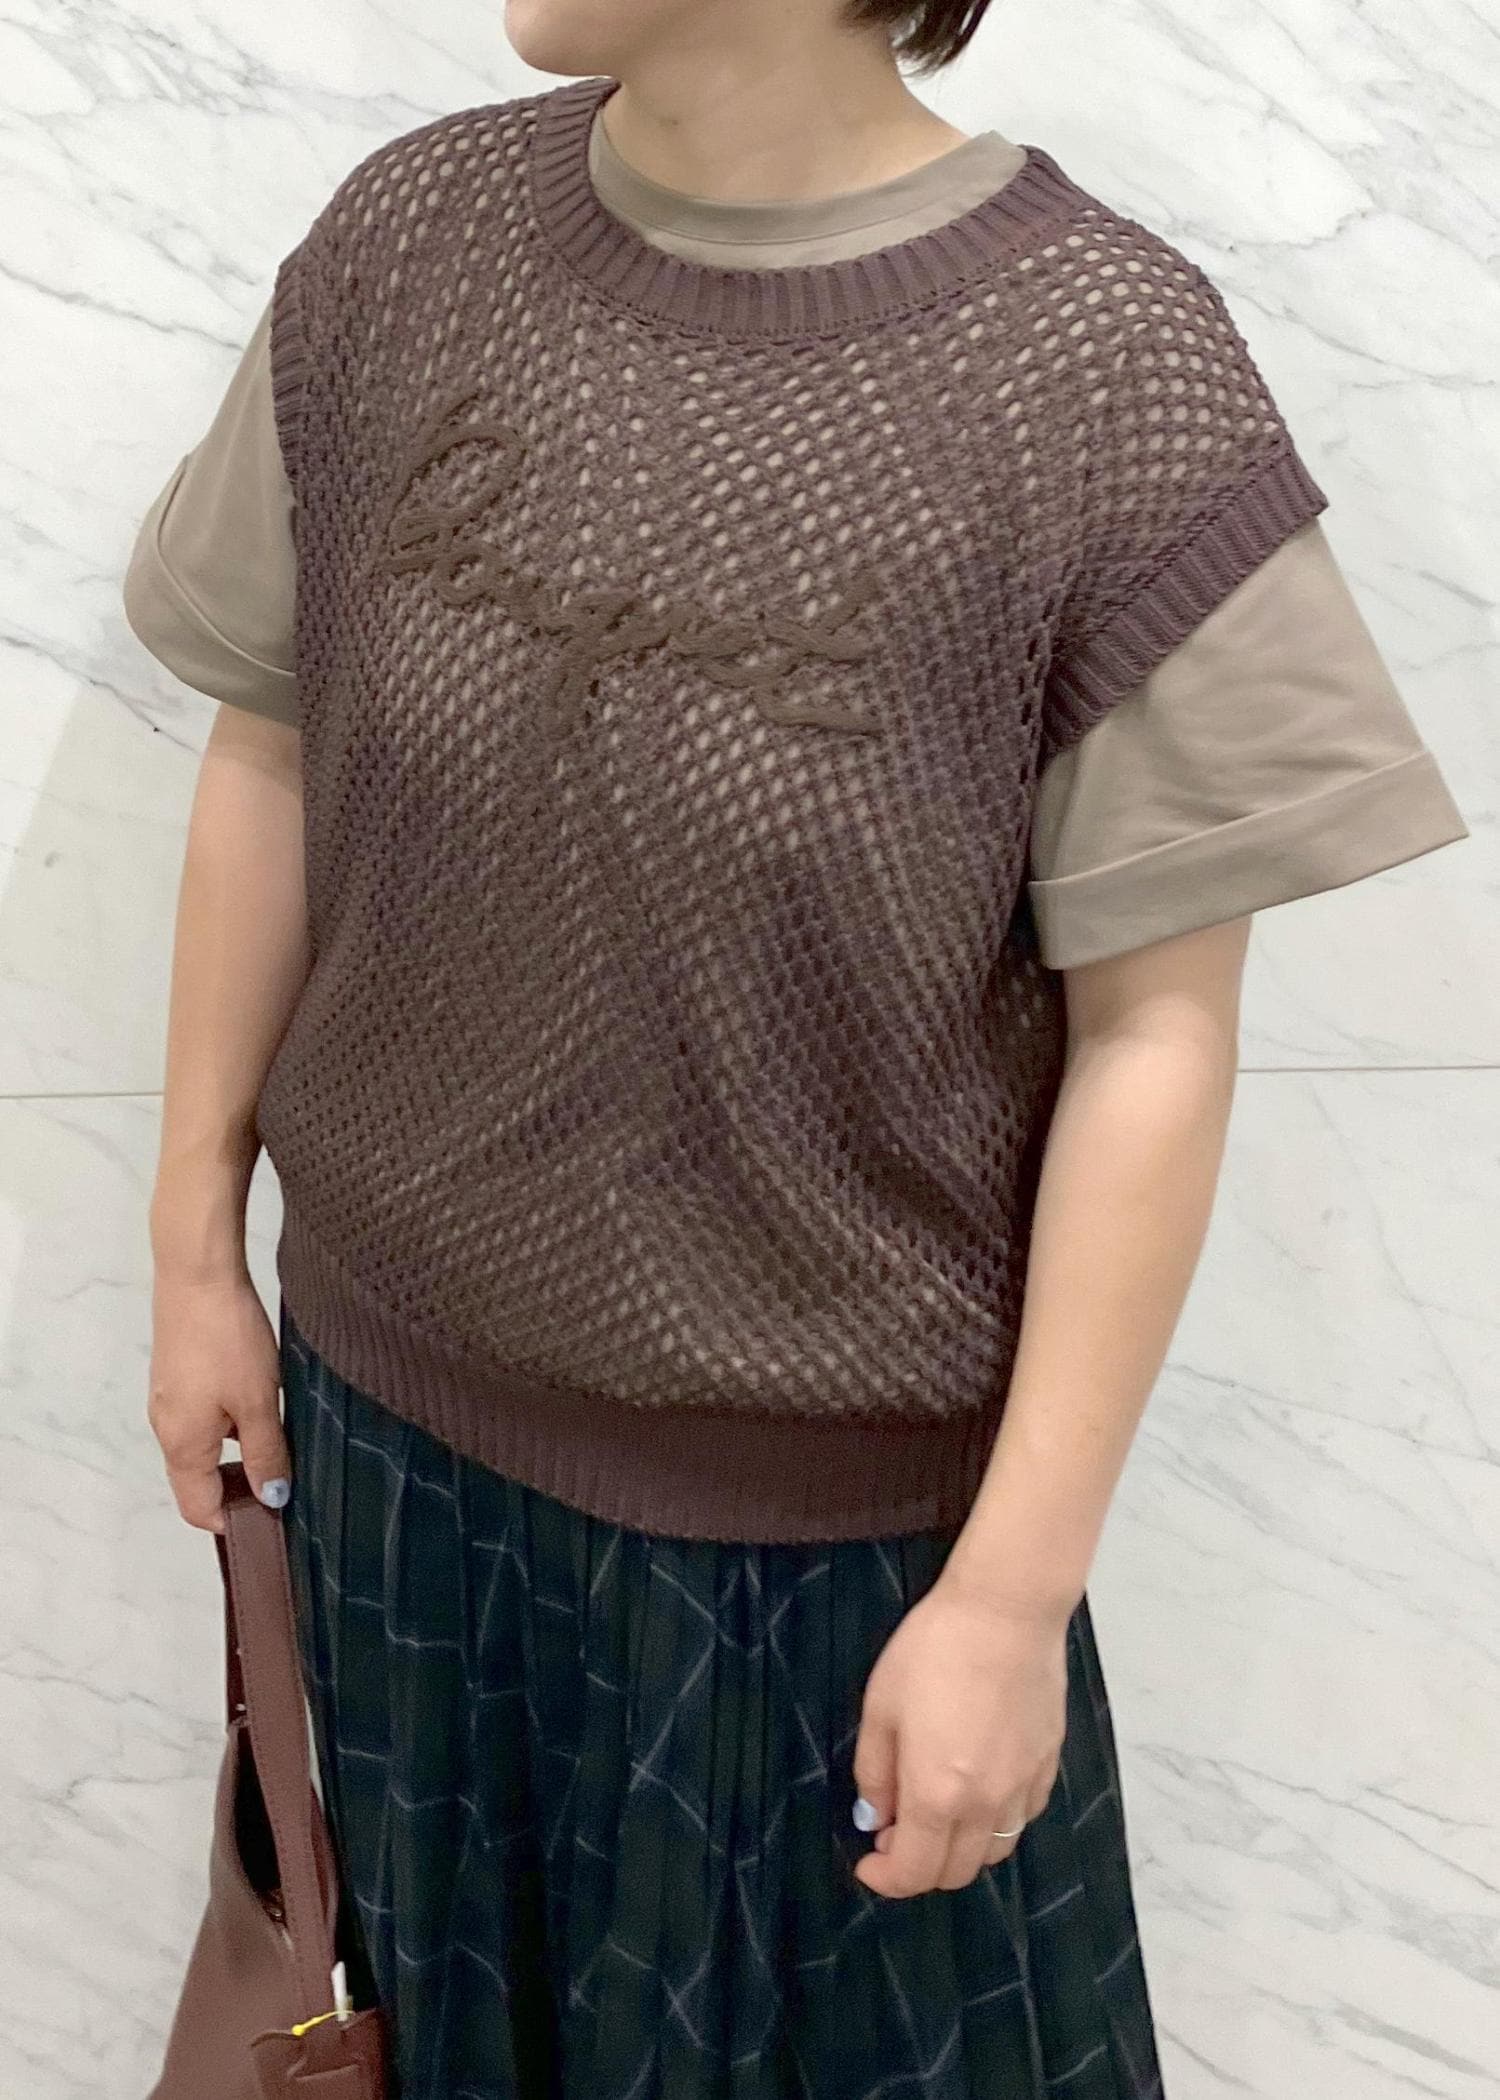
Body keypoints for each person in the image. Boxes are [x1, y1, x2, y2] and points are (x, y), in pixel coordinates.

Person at [123, 1, 1470, 2095]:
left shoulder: (1105, 369)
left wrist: (1011, 1601)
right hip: (389, 1463)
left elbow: (1155, 1036)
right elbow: (272, 748)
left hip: (827, 1560)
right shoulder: (408, 244)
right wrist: (194, 1243)